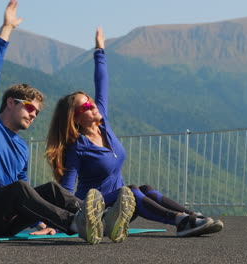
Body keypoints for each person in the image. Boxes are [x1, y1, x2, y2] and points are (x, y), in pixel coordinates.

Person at [0, 0, 134, 245]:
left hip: (6, 221)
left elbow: (28, 198)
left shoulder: (21, 148)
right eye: (30, 107)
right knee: (19, 187)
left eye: (37, 112)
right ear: (10, 102)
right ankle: (75, 223)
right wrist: (6, 30)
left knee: (51, 190)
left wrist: (43, 221)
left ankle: (102, 219)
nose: (33, 115)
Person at [46, 27, 223, 237]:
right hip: (98, 211)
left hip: (123, 207)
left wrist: (99, 50)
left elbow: (102, 82)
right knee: (129, 190)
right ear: (75, 118)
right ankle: (180, 222)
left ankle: (194, 217)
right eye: (85, 107)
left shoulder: (103, 123)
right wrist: (55, 221)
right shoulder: (76, 148)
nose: (92, 106)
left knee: (145, 188)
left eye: (91, 101)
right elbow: (66, 192)